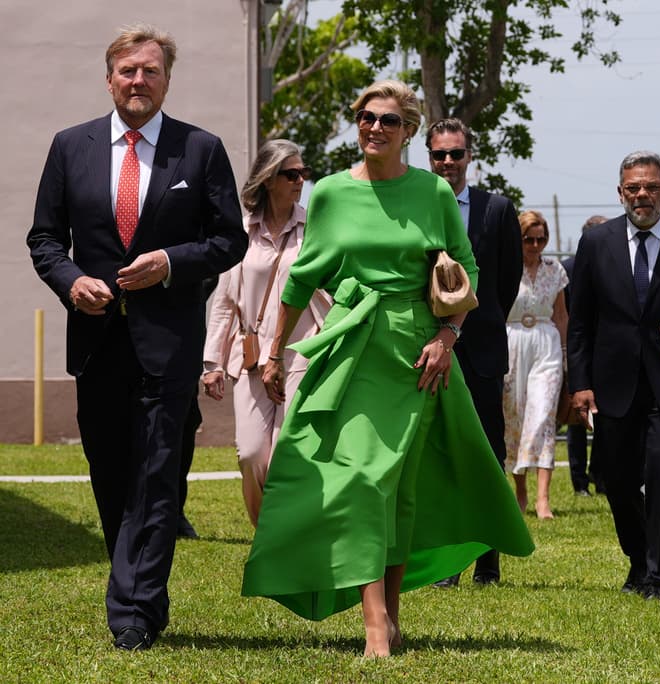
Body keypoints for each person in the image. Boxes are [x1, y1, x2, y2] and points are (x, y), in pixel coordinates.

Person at [240, 80, 533, 658]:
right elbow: (301, 278)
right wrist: (274, 351)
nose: (374, 127)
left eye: (389, 121)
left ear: (409, 131)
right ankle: (376, 626)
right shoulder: (327, 193)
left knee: (398, 489)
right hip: (350, 350)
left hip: (417, 355)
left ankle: (389, 617)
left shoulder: (433, 193)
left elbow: (466, 267)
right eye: (365, 117)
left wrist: (448, 337)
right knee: (361, 482)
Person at [26, 24, 246, 651]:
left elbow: (229, 238)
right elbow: (44, 239)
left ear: (167, 79)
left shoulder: (199, 149)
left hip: (168, 342)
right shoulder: (71, 146)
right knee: (110, 472)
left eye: (150, 70)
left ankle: (135, 611)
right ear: (110, 78)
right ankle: (135, 581)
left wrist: (172, 262)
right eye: (128, 70)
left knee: (156, 474)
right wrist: (72, 283)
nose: (138, 80)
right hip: (96, 342)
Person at [567, 151, 660, 602]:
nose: (642, 195)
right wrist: (580, 383)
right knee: (618, 481)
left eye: (651, 187)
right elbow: (580, 321)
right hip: (612, 383)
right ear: (620, 192)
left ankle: (659, 578)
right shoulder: (596, 243)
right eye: (633, 188)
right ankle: (639, 559)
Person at [202, 139, 332, 526]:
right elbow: (225, 300)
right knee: (251, 453)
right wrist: (213, 362)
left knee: (285, 454)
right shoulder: (239, 232)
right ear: (268, 179)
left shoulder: (315, 229)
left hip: (302, 355)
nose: (300, 181)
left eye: (303, 174)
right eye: (291, 174)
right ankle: (266, 531)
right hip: (253, 356)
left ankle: (283, 537)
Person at [425, 117, 522, 587]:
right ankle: (446, 561)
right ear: (428, 157)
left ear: (469, 156)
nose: (448, 162)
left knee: (486, 452)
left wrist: (471, 326)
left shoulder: (497, 209)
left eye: (456, 154)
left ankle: (488, 559)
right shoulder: (416, 204)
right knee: (438, 452)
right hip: (425, 347)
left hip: (481, 348)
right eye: (439, 154)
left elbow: (506, 282)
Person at [504, 210, 569, 518]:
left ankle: (544, 498)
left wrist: (567, 354)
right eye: (528, 239)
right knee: (514, 416)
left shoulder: (555, 269)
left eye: (541, 239)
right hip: (511, 341)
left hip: (547, 343)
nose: (535, 244)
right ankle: (520, 491)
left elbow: (561, 315)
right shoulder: (503, 268)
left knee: (543, 414)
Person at [562, 215, 607, 497]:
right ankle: (580, 481)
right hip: (578, 349)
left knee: (605, 417)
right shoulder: (568, 269)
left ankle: (600, 476)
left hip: (606, 351)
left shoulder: (616, 266)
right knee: (575, 418)